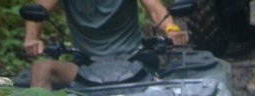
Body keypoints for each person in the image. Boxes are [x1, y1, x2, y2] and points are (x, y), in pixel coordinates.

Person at [24, 0, 190, 90]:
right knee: (42, 68)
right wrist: (32, 38)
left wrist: (172, 31)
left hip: (135, 59)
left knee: (176, 68)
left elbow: (154, 7)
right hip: (85, 64)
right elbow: (38, 10)